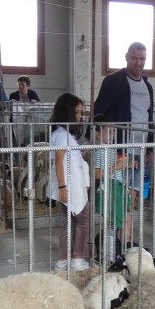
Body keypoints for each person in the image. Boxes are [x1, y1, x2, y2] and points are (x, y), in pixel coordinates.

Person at [46, 93, 91, 272]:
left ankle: (64, 260)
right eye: (78, 112)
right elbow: (59, 161)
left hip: (72, 184)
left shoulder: (62, 134)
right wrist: (62, 187)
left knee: (69, 222)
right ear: (68, 113)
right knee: (82, 219)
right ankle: (76, 258)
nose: (80, 117)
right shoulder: (62, 135)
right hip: (69, 185)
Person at [93, 42, 155, 154]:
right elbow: (98, 111)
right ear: (126, 57)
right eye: (134, 58)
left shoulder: (148, 86)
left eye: (142, 59)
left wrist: (150, 149)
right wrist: (92, 138)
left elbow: (149, 117)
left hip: (142, 149)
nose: (138, 63)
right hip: (118, 149)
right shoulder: (113, 81)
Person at [91, 113, 137, 264]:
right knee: (112, 224)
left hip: (116, 187)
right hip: (108, 189)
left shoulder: (109, 149)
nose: (111, 135)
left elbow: (113, 167)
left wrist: (127, 165)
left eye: (113, 132)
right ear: (97, 133)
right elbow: (98, 174)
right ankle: (109, 256)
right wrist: (116, 166)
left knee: (115, 224)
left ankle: (112, 252)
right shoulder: (99, 150)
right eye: (108, 132)